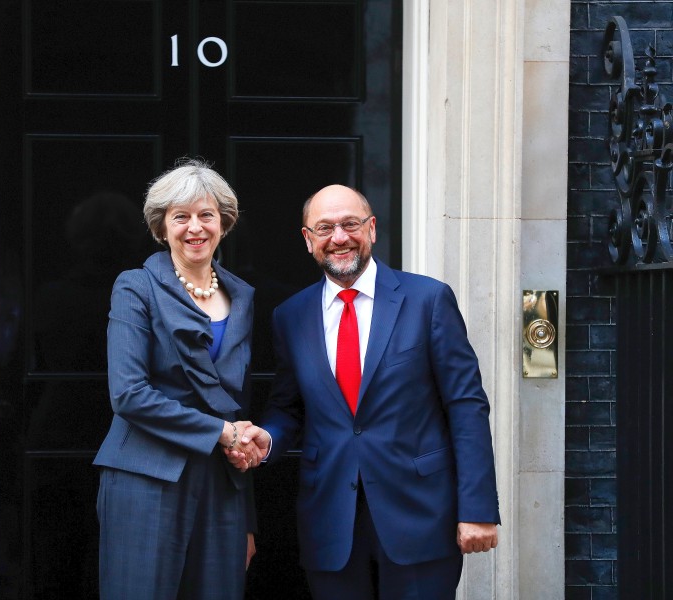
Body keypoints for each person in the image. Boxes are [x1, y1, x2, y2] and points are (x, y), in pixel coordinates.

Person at [233, 184, 500, 599]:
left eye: (350, 224)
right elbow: (288, 407)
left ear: (372, 229)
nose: (338, 237)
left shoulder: (428, 300)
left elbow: (466, 406)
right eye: (324, 228)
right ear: (308, 240)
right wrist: (267, 439)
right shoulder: (291, 315)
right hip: (331, 520)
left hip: (421, 515)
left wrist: (478, 510)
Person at [93, 158, 259, 599]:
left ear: (224, 222)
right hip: (146, 478)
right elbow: (128, 394)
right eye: (180, 216)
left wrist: (248, 517)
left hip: (222, 487)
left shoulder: (242, 295)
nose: (195, 227)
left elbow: (237, 405)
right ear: (161, 226)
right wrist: (221, 432)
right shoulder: (135, 287)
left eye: (206, 215)